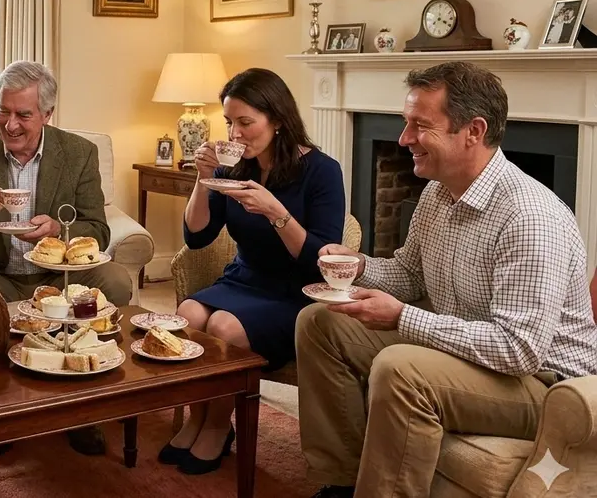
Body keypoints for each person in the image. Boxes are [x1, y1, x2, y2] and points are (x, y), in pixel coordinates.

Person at [298, 61, 597, 498]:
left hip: (547, 387)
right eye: (404, 124)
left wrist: (402, 319)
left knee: (400, 369)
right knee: (320, 324)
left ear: (473, 131)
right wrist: (359, 265)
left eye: (420, 126)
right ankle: (341, 481)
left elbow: (520, 351)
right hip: (474, 354)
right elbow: (410, 274)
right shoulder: (439, 193)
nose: (403, 140)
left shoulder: (530, 216)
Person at [0, 60, 133, 456]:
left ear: (48, 114)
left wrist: (58, 229)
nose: (11, 124)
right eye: (3, 111)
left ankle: (84, 408)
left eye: (23, 114)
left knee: (116, 280)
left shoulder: (78, 153)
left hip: (58, 277)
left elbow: (99, 229)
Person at [162, 67, 345, 476]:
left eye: (246, 122)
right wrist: (203, 177)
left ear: (277, 119)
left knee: (225, 326)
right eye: (229, 122)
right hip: (244, 278)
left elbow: (324, 259)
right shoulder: (234, 167)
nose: (235, 134)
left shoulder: (322, 171)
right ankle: (196, 416)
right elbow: (197, 236)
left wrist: (277, 213)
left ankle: (216, 426)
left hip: (297, 291)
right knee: (188, 315)